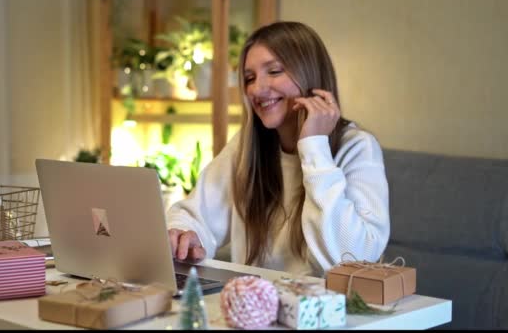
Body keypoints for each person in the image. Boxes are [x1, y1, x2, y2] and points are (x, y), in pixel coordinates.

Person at [166, 21, 390, 277]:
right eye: (250, 78)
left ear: (310, 75)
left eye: (273, 71)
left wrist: (314, 147)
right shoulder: (247, 146)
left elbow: (352, 260)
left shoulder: (358, 147)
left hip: (329, 311)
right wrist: (184, 233)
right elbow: (194, 214)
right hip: (253, 309)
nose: (257, 89)